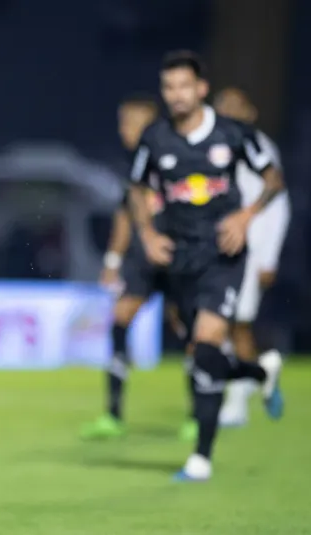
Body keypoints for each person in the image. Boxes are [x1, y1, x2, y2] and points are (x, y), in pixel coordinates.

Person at [128, 51, 285, 481]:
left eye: (184, 86)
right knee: (202, 356)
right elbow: (137, 187)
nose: (177, 94)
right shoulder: (155, 139)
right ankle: (259, 371)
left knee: (208, 342)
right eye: (169, 87)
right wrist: (148, 234)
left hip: (223, 255)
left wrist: (246, 216)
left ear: (201, 88)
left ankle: (201, 458)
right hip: (178, 257)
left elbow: (273, 180)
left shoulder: (233, 133)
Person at [80, 96, 179, 439]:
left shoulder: (176, 159)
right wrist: (113, 260)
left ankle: (200, 415)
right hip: (141, 261)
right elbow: (124, 217)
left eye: (130, 123)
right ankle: (113, 414)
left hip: (178, 257)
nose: (124, 130)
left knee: (190, 331)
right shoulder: (132, 169)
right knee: (120, 321)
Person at [213, 87, 291, 427]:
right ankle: (258, 374)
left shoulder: (259, 146)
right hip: (215, 249)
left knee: (236, 325)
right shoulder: (213, 144)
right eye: (222, 106)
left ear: (250, 112)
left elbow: (277, 204)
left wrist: (268, 257)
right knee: (214, 324)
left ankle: (236, 402)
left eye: (235, 106)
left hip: (248, 250)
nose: (227, 111)